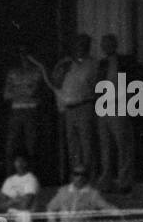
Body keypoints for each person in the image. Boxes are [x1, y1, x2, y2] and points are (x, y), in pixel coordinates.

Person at [32, 35, 98, 180]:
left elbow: (93, 84)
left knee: (87, 144)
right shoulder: (66, 63)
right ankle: (76, 178)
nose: (81, 47)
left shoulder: (93, 64)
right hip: (68, 108)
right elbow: (56, 84)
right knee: (73, 145)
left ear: (88, 46)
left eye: (84, 44)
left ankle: (89, 178)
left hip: (84, 106)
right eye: (78, 44)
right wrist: (63, 70)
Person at [94, 34, 136, 194]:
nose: (106, 47)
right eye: (103, 44)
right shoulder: (102, 63)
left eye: (109, 44)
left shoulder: (124, 61)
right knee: (105, 147)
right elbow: (98, 85)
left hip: (119, 106)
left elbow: (133, 81)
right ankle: (106, 181)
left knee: (123, 145)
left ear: (115, 45)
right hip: (104, 107)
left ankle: (124, 181)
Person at [2, 47, 42, 174]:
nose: (24, 57)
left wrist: (17, 89)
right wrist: (25, 89)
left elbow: (33, 92)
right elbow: (6, 94)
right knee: (11, 146)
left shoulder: (37, 71)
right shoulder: (13, 72)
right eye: (22, 54)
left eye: (27, 54)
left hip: (31, 111)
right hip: (16, 111)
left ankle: (31, 177)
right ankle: (10, 178)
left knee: (32, 146)